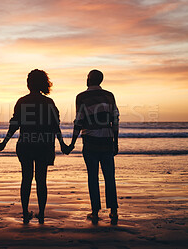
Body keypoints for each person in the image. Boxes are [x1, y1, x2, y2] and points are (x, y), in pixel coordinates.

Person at [0, 69, 67, 224]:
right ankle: (41, 214)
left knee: (26, 179)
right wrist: (62, 144)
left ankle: (24, 212)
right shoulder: (49, 103)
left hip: (26, 145)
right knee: (42, 180)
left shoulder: (22, 101)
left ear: (29, 84)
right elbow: (55, 126)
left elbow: (14, 124)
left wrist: (4, 142)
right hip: (44, 145)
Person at [65, 69, 119, 224]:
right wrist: (116, 141)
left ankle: (95, 211)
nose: (86, 79)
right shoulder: (109, 96)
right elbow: (115, 120)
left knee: (92, 177)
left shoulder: (81, 97)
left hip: (90, 142)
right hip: (107, 140)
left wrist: (72, 143)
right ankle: (113, 211)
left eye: (87, 77)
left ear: (90, 79)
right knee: (109, 176)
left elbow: (79, 121)